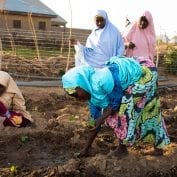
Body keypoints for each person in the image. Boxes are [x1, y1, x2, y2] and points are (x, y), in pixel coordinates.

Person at [62, 56, 170, 158]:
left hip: (145, 71)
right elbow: (95, 122)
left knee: (126, 110)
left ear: (82, 83)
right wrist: (86, 149)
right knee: (146, 108)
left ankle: (122, 149)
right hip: (134, 73)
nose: (77, 99)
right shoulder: (92, 97)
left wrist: (102, 118)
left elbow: (117, 102)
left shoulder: (102, 79)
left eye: (76, 94)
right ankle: (157, 148)